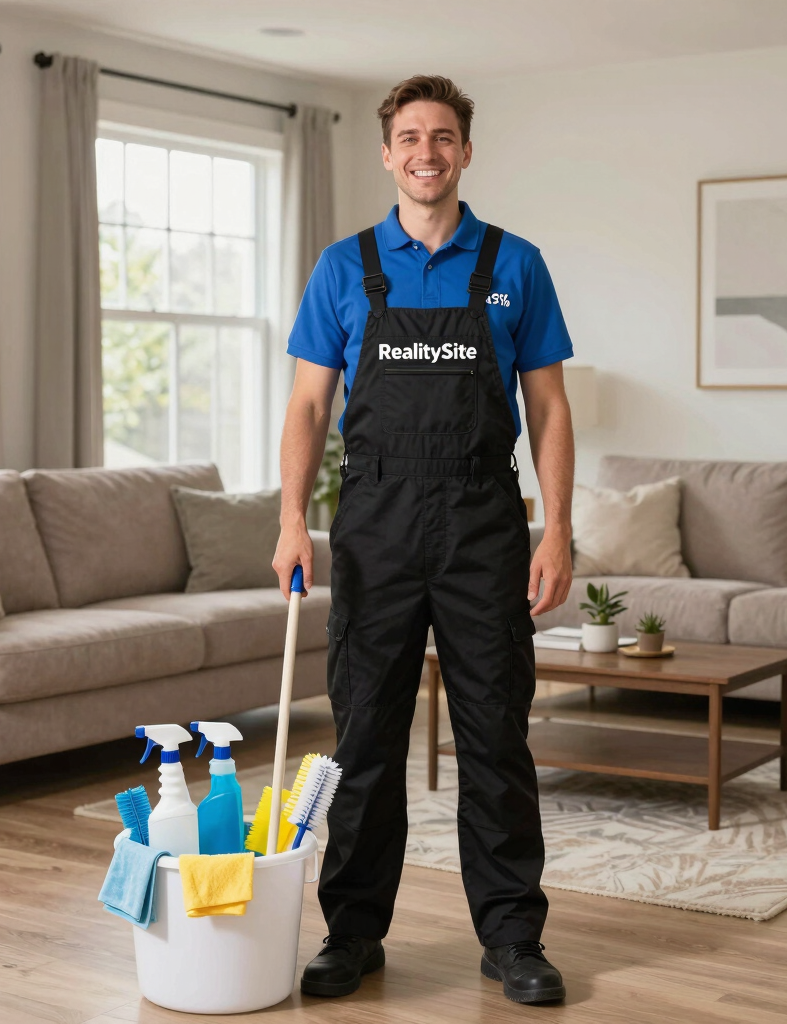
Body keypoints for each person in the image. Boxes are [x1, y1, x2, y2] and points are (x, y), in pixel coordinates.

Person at [273, 74, 575, 1006]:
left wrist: (556, 527)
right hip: (375, 525)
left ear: (465, 152)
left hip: (485, 522)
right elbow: (309, 405)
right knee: (364, 737)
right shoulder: (344, 266)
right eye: (410, 137)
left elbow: (550, 409)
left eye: (443, 137)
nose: (427, 153)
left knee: (496, 733)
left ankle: (513, 937)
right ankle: (351, 933)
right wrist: (291, 519)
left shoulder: (515, 263)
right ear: (388, 152)